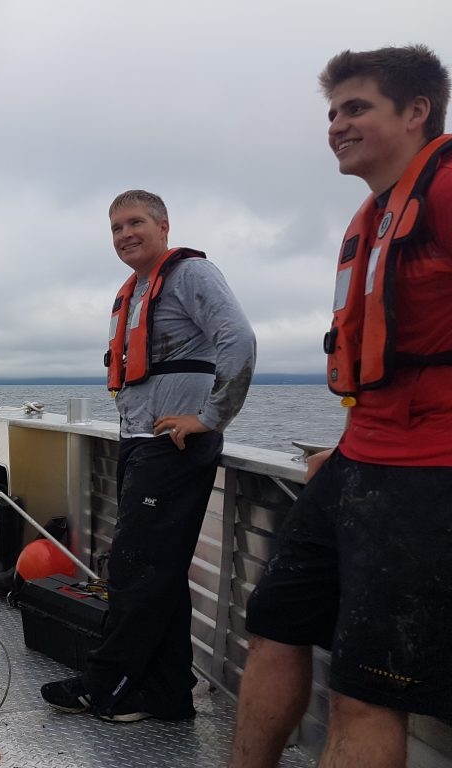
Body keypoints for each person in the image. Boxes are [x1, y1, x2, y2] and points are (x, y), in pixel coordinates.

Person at [229, 45, 452, 768]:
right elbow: (385, 366)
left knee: (365, 693)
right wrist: (349, 440)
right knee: (273, 629)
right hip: (360, 461)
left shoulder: (447, 191)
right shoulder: (371, 217)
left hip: (428, 477)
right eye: (332, 112)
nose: (336, 125)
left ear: (417, 112)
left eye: (356, 107)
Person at [41, 189, 256, 722]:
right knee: (157, 573)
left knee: (136, 570)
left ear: (163, 226)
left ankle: (106, 682)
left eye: (135, 222)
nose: (124, 235)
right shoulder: (137, 290)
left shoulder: (191, 277)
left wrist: (209, 418)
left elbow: (239, 342)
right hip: (141, 444)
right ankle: (166, 695)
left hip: (175, 448)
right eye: (115, 228)